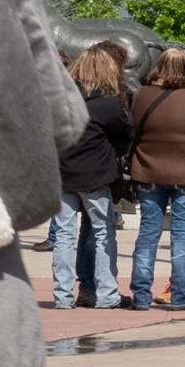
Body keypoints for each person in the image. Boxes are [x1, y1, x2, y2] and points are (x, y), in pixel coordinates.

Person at [121, 47, 185, 312]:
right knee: (182, 235)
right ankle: (183, 295)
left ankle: (140, 295)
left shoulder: (141, 95)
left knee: (148, 234)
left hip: (148, 172)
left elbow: (133, 125)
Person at [50, 45, 131, 310]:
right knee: (103, 233)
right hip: (95, 176)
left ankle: (62, 296)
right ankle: (107, 294)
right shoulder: (108, 105)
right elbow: (125, 135)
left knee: (63, 235)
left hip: (63, 174)